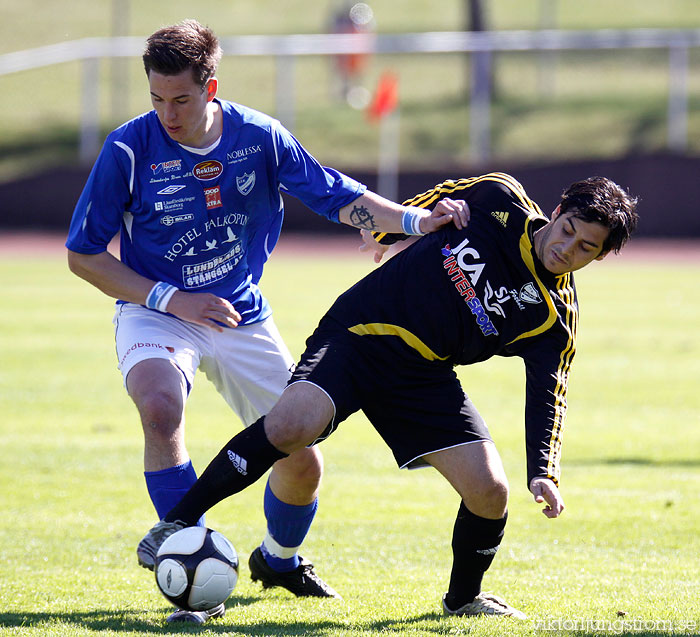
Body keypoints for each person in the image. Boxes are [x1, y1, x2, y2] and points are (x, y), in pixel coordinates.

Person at [65, 19, 468, 625]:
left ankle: (279, 558)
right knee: (159, 407)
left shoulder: (258, 137)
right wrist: (171, 299)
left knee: (301, 454)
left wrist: (415, 222)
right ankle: (190, 572)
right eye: (156, 99)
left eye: (180, 99)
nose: (167, 115)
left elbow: (334, 193)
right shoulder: (128, 148)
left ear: (210, 87)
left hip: (242, 314)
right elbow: (83, 254)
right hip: (158, 310)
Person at [136, 172, 639, 620]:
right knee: (293, 427)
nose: (567, 248)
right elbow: (433, 204)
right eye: (568, 230)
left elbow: (548, 396)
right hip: (361, 333)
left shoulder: (553, 318)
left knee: (491, 494)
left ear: (600, 256)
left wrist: (543, 471)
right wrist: (392, 229)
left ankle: (463, 599)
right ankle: (175, 522)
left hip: (422, 378)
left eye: (585, 248)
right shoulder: (497, 197)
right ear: (557, 213)